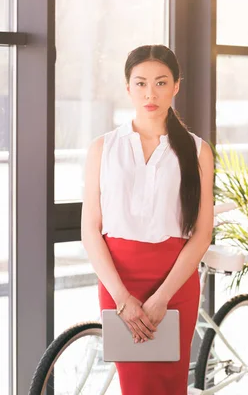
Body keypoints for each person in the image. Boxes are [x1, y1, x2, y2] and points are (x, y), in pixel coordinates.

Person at [81, 44, 214, 394]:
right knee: (135, 386)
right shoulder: (102, 148)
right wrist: (123, 298)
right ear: (127, 88)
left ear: (176, 86)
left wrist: (162, 297)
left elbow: (201, 234)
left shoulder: (198, 150)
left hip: (175, 284)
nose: (150, 93)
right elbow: (90, 230)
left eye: (160, 82)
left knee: (170, 385)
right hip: (119, 283)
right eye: (140, 83)